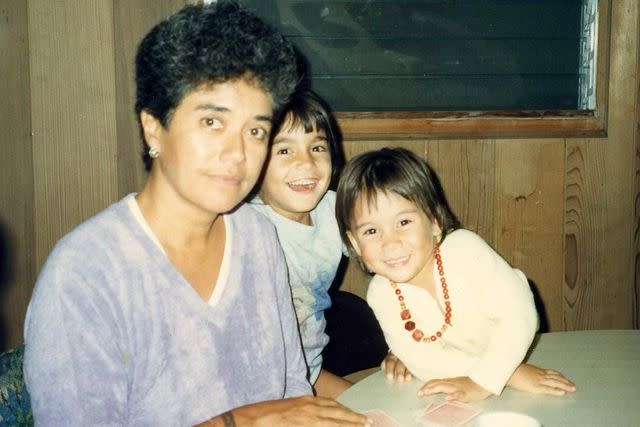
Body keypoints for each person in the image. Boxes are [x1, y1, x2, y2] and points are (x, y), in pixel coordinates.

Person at [22, 2, 370, 426]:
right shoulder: (86, 274)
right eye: (212, 122)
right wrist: (240, 421)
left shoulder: (258, 237)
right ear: (153, 127)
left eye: (256, 130)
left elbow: (294, 391)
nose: (239, 153)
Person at [335, 147, 577, 403]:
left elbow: (518, 315)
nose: (390, 243)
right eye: (371, 231)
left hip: (525, 349)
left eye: (404, 222)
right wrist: (508, 375)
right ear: (354, 243)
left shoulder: (464, 250)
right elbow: (424, 363)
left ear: (435, 222)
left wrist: (487, 378)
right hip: (495, 377)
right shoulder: (381, 294)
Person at [249, 89, 387, 399]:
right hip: (261, 390)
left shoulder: (333, 210)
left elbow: (394, 255)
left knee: (379, 414)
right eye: (284, 150)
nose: (306, 162)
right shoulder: (245, 231)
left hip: (309, 373)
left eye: (317, 147)